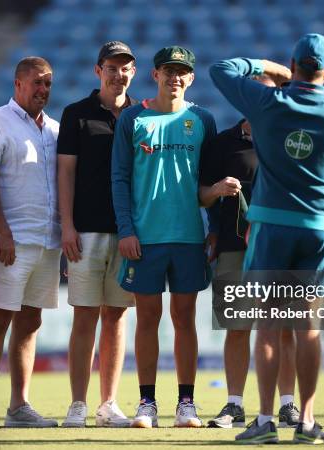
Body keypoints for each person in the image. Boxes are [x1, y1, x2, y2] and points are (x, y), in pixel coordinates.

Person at [210, 33, 324, 444]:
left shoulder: (267, 102)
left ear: (292, 65)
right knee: (308, 327)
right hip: (319, 229)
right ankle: (308, 421)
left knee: (270, 326)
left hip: (273, 227)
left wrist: (270, 69)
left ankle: (263, 420)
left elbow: (221, 69)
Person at [112, 46, 216, 428]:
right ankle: (146, 403)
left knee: (185, 318)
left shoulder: (203, 119)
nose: (175, 77)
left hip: (189, 236)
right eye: (167, 71)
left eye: (182, 72)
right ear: (154, 75)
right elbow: (119, 178)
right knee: (147, 319)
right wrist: (126, 230)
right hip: (145, 238)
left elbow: (210, 181)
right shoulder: (133, 118)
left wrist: (216, 229)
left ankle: (186, 403)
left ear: (191, 78)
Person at [199, 75, 300, 429]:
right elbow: (201, 195)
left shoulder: (292, 139)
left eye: (268, 91)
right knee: (238, 328)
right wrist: (216, 189)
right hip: (233, 245)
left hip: (282, 247)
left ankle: (288, 404)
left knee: (283, 327)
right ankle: (234, 404)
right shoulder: (223, 142)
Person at [0, 56, 61, 429]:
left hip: (46, 240)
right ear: (18, 83)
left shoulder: (55, 130)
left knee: (31, 322)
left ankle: (19, 407)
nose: (43, 90)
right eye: (37, 82)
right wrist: (2, 231)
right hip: (8, 240)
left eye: (48, 84)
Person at [58, 41, 137, 428]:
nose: (117, 74)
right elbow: (65, 174)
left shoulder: (142, 115)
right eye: (111, 67)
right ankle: (77, 404)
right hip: (85, 232)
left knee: (117, 317)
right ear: (98, 70)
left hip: (127, 234)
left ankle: (108, 404)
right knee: (85, 316)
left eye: (125, 68)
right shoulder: (76, 114)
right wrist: (67, 226)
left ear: (134, 73)